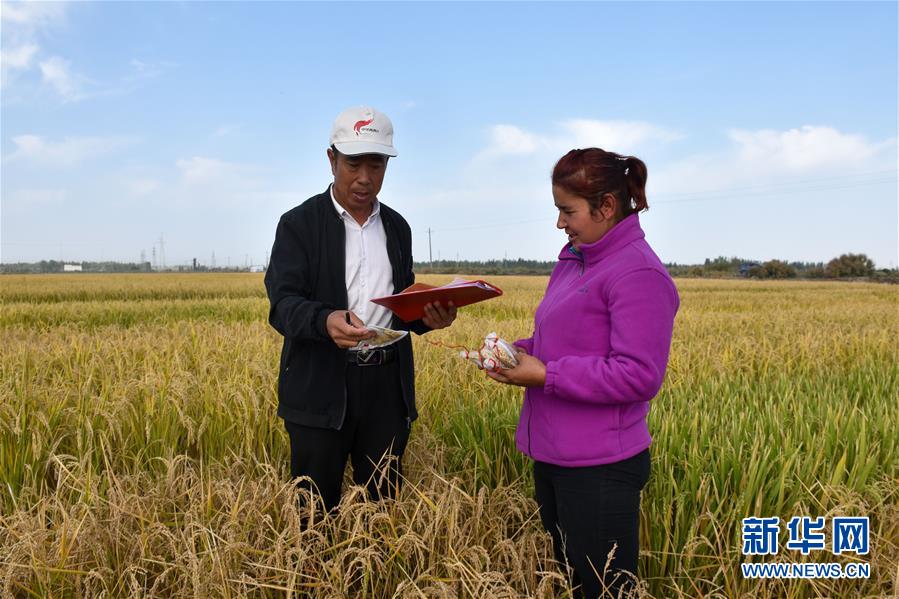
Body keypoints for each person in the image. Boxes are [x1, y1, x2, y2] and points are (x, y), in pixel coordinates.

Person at [486, 148, 679, 598]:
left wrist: (546, 375)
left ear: (606, 207)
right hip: (556, 459)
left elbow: (638, 375)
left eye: (566, 211)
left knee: (603, 591)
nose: (560, 223)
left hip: (601, 470)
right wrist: (518, 354)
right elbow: (559, 341)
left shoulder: (638, 273)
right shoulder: (576, 259)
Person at [264, 106, 456, 512]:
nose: (365, 178)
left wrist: (427, 317)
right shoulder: (298, 224)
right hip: (320, 388)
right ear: (332, 159)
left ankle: (376, 576)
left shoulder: (397, 228)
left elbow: (399, 305)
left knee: (383, 507)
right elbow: (283, 305)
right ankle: (313, 574)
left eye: (377, 164)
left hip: (387, 389)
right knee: (313, 512)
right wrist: (325, 320)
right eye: (354, 163)